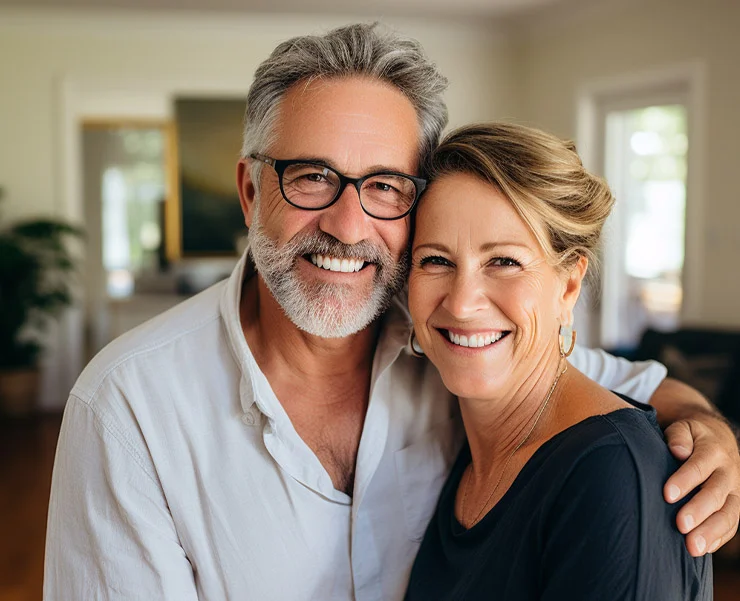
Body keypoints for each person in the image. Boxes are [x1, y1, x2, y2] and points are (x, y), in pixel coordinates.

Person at [44, 23, 739, 601]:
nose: (348, 226)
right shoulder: (127, 408)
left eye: (384, 185)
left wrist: (705, 428)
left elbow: (618, 390)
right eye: (312, 176)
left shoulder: (449, 340)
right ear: (252, 191)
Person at [404, 123, 713, 600]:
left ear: (569, 285)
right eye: (435, 261)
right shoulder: (469, 445)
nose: (462, 303)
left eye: (504, 261)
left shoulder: (610, 479)